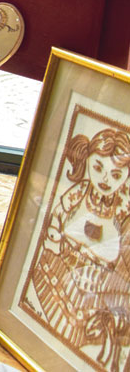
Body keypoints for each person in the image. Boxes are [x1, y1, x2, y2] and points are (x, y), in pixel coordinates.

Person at [26, 127, 130, 369]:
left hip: (100, 275)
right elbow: (56, 215)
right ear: (87, 161)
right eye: (98, 168)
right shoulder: (81, 191)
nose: (105, 180)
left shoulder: (124, 208)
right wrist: (54, 231)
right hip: (64, 261)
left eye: (116, 175)